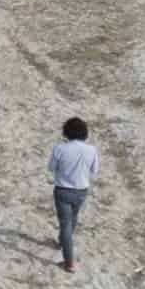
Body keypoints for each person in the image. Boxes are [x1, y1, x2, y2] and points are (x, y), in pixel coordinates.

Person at [47, 117, 99, 273]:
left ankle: (69, 262)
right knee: (73, 219)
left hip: (63, 190)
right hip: (82, 190)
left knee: (65, 224)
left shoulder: (59, 149)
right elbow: (94, 170)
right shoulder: (92, 150)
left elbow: (51, 168)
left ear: (66, 133)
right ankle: (63, 242)